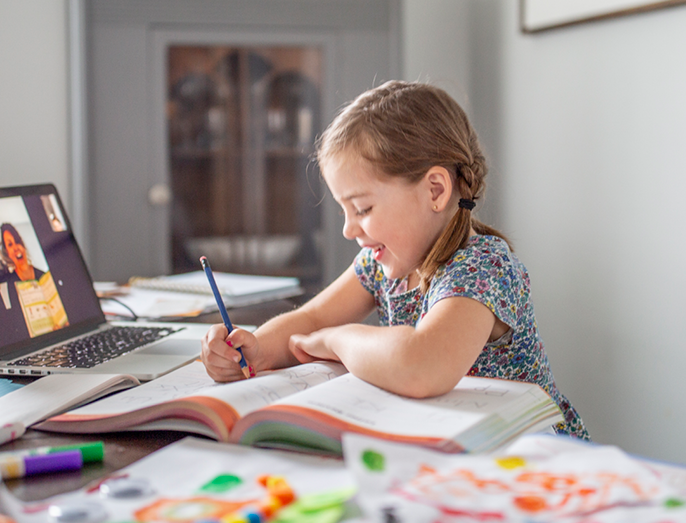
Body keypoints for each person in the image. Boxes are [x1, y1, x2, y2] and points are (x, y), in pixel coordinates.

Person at [201, 80, 588, 439]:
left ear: (435, 190)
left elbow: (423, 365)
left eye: (363, 208)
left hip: (528, 461)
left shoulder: (482, 269)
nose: (349, 230)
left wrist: (337, 339)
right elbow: (313, 320)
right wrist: (256, 348)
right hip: (447, 449)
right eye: (344, 212)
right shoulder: (383, 265)